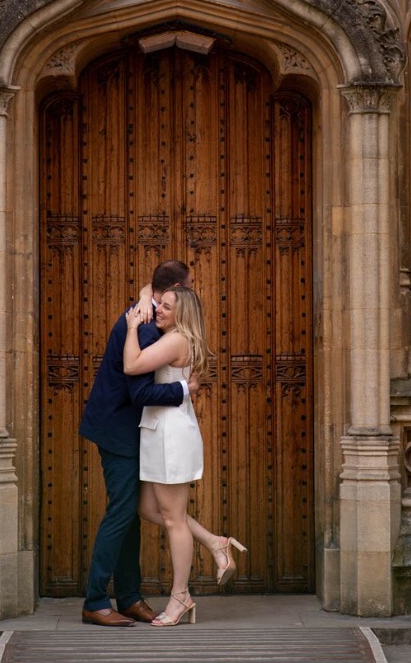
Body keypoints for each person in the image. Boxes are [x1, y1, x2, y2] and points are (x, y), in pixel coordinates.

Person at [79, 261, 244, 628]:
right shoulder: (147, 326)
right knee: (125, 512)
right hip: (122, 430)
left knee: (139, 514)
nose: (187, 294)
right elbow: (138, 390)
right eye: (181, 290)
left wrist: (142, 297)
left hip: (148, 431)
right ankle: (96, 600)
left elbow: (149, 291)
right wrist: (186, 388)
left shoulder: (149, 317)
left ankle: (130, 597)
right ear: (169, 291)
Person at [124, 285, 247, 626]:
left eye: (165, 307)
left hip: (170, 435)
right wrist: (148, 291)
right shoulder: (178, 337)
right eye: (158, 304)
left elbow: (132, 365)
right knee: (149, 508)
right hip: (161, 431)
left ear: (182, 315)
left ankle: (180, 596)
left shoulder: (177, 340)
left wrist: (133, 327)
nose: (157, 311)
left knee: (174, 519)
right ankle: (215, 542)